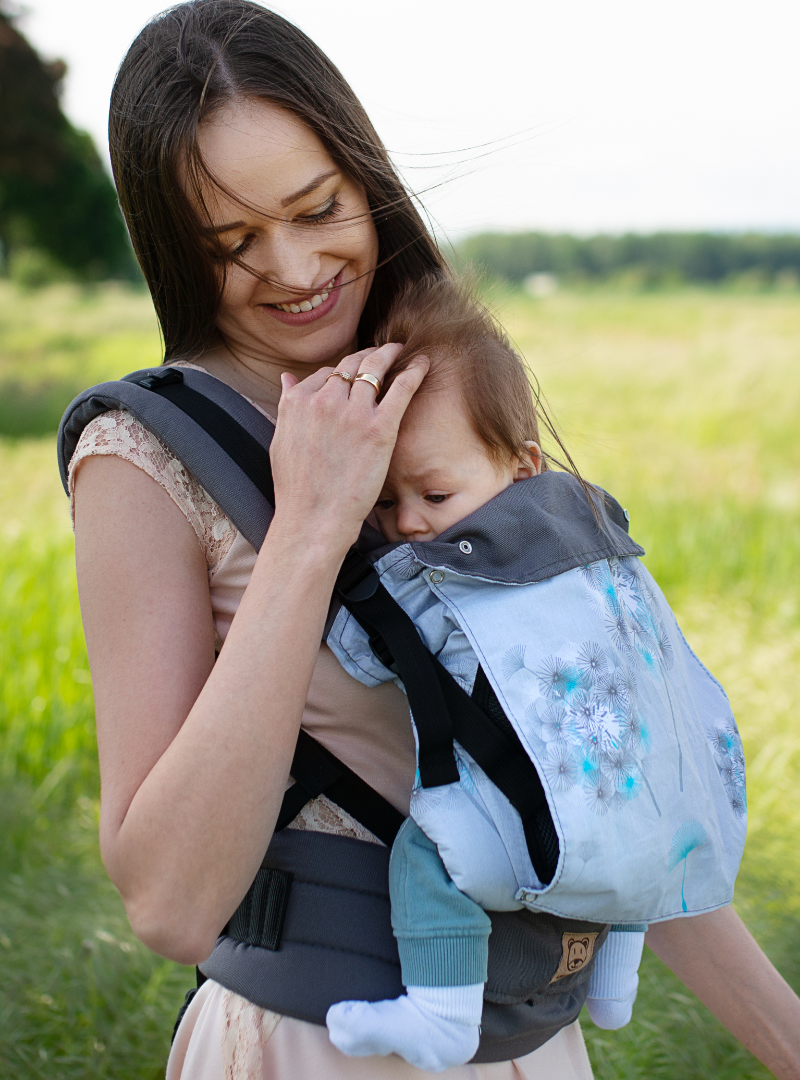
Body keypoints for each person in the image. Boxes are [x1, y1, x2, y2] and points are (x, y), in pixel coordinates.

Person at [68, 2, 800, 1077]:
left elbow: (591, 790)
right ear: (175, 251)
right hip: (313, 1047)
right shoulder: (145, 457)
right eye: (230, 244)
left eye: (317, 207)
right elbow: (170, 904)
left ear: (364, 180)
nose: (290, 267)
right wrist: (311, 528)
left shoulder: (434, 385)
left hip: (521, 1050)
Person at [323, 276, 744, 1071]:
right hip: (633, 785)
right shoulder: (593, 528)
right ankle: (614, 981)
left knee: (429, 854)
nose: (408, 521)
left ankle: (439, 1014)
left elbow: (359, 652)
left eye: (433, 492)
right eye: (384, 502)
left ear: (520, 465)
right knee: (627, 826)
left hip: (524, 808)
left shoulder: (445, 567)